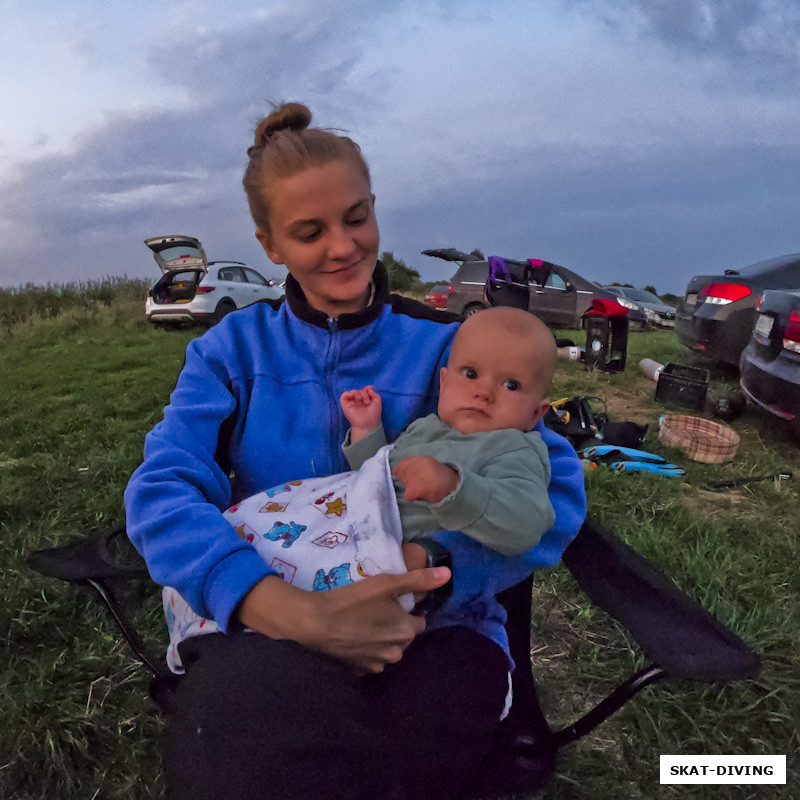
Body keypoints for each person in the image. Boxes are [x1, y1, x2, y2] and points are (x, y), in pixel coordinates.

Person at [124, 101, 586, 800]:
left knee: (410, 755)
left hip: (433, 627)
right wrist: (279, 607)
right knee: (251, 748)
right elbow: (162, 491)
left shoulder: (452, 354)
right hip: (268, 620)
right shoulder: (229, 352)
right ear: (270, 245)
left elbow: (551, 494)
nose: (342, 247)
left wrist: (424, 572)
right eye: (309, 232)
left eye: (356, 218)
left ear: (374, 208)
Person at [162, 308, 558, 666]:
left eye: (511, 385)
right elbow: (378, 479)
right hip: (349, 523)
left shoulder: (515, 449)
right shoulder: (429, 428)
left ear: (537, 412)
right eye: (471, 374)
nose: (483, 392)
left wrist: (455, 488)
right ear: (445, 380)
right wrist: (368, 433)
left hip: (395, 564)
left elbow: (528, 521)